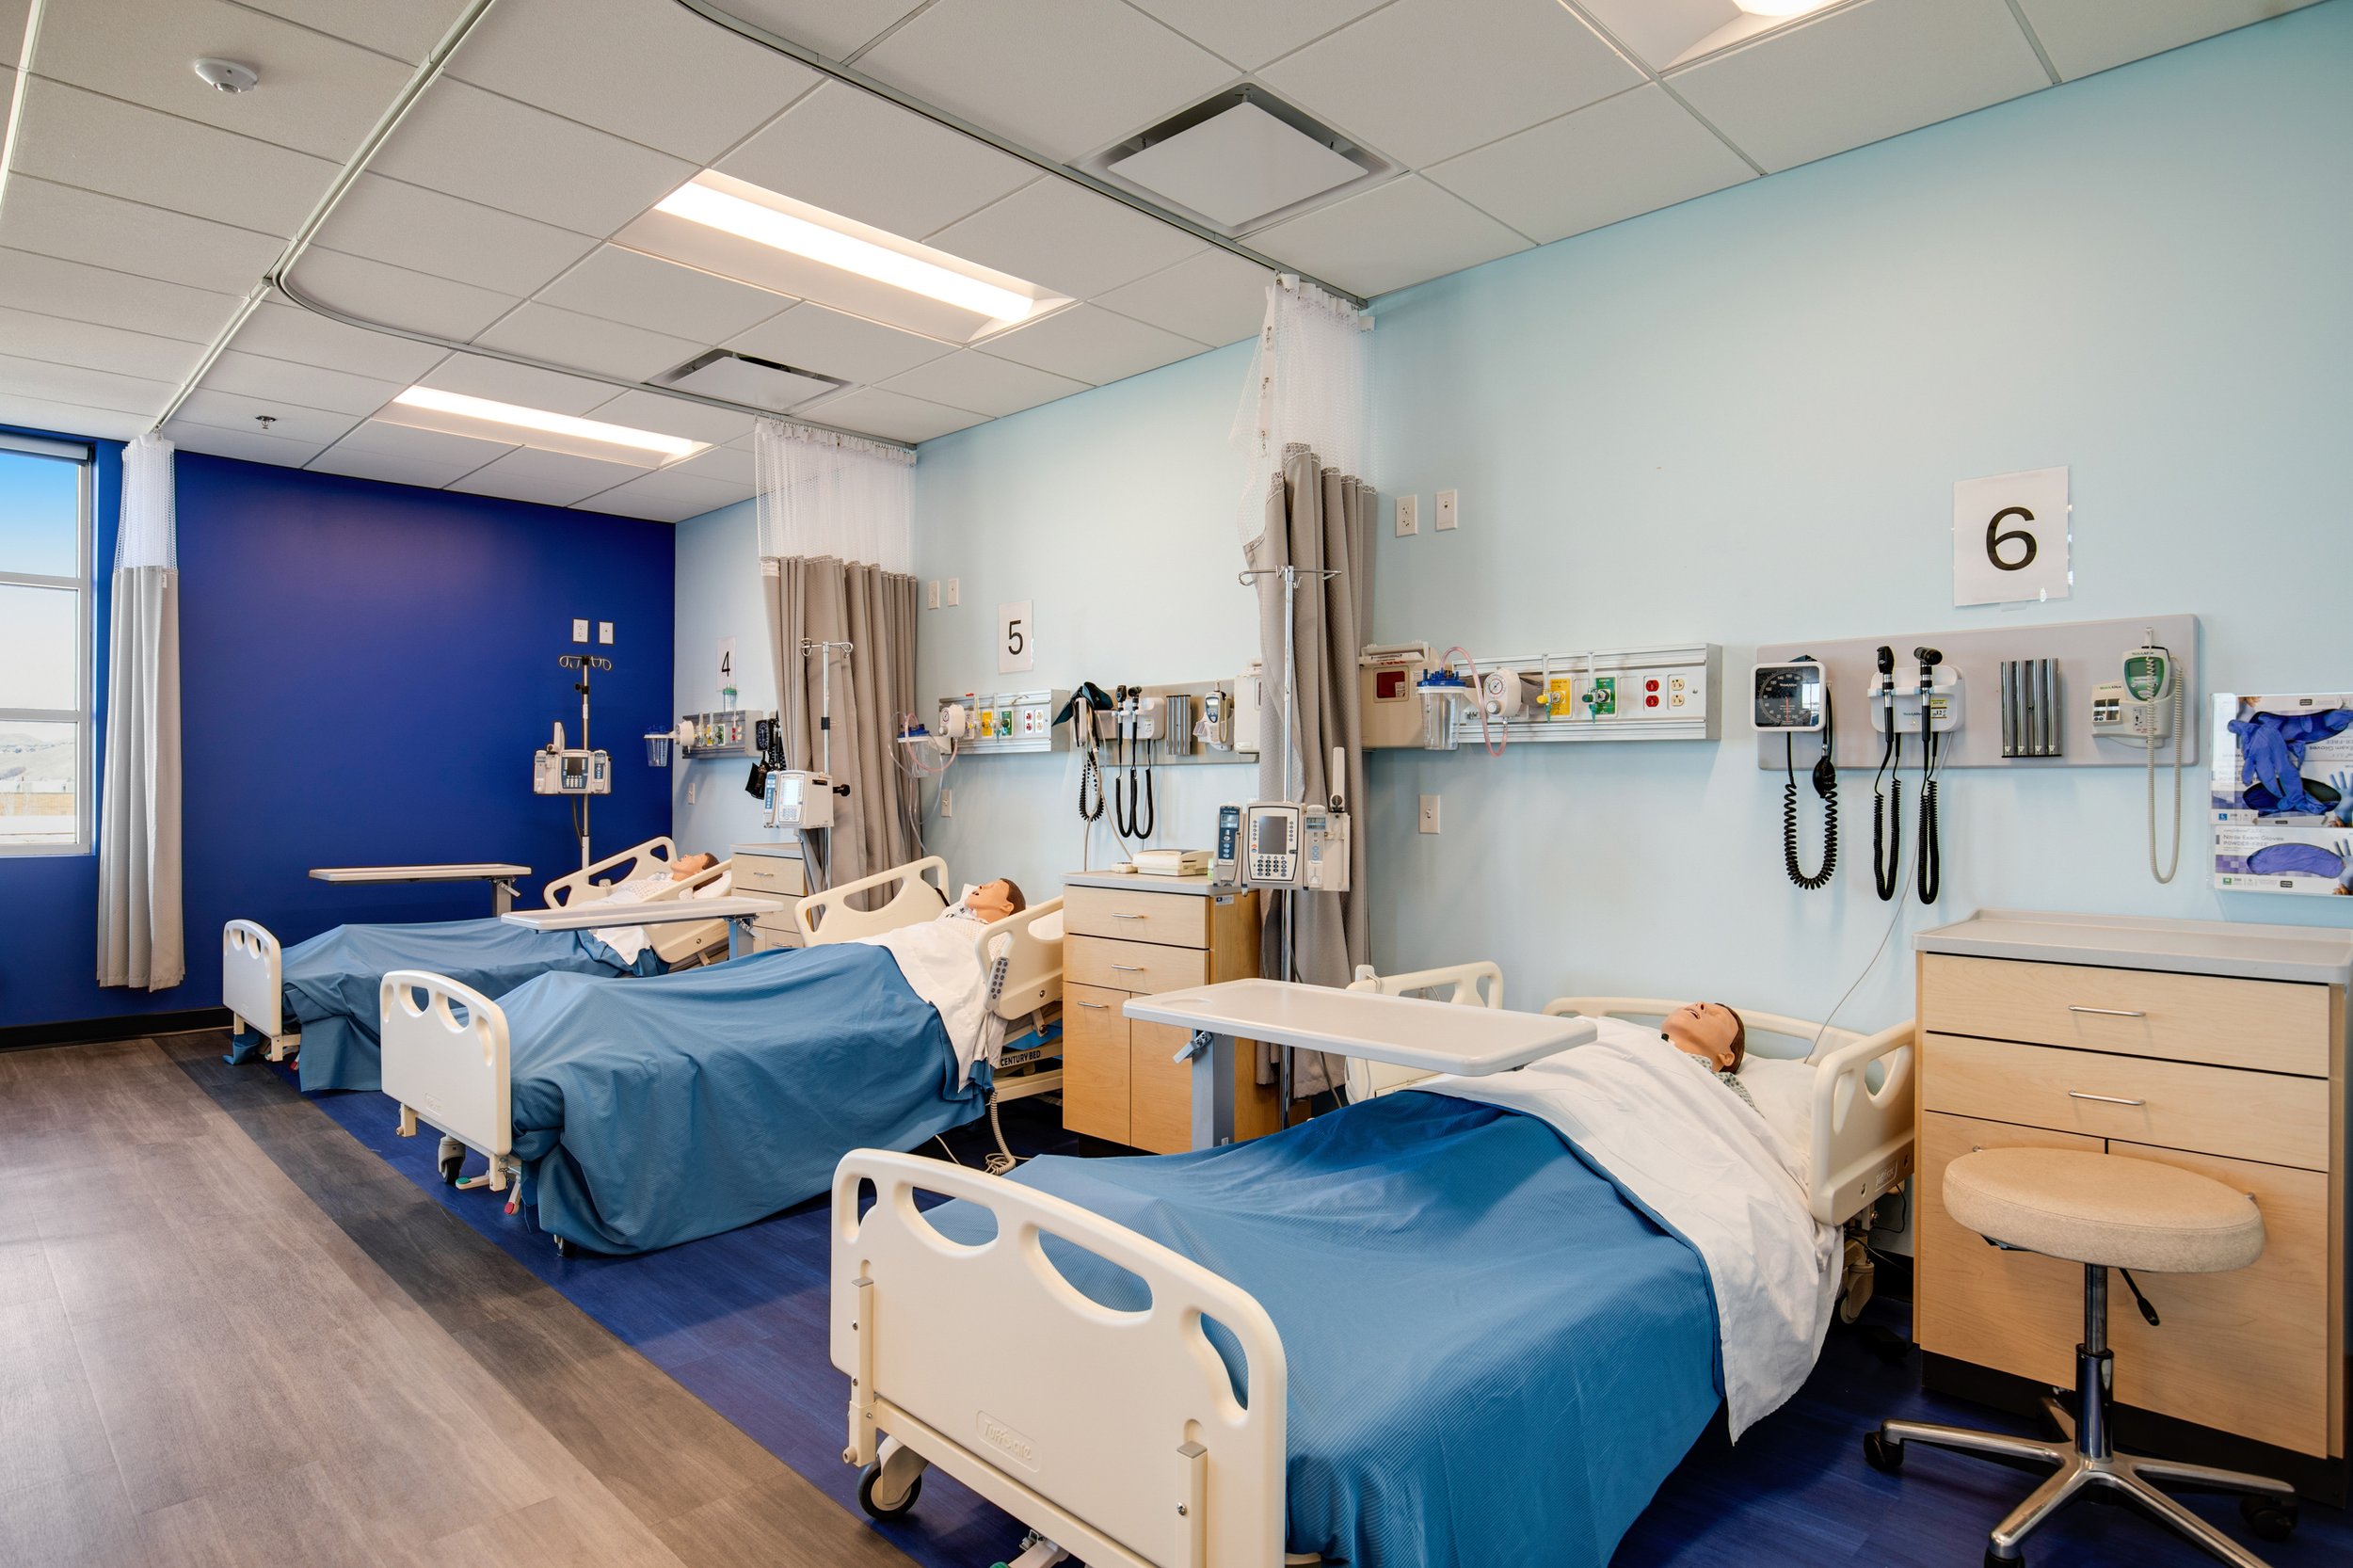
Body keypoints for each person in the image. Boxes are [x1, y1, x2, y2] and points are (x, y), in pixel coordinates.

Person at [1659, 1000, 1757, 1114]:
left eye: (1717, 1016)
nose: (1700, 1003)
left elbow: (1749, 1122)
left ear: (1727, 1057)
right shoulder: (1642, 1037)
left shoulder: (1726, 1091)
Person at [947, 878, 1026, 925]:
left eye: (992, 887)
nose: (980, 886)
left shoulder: (998, 940)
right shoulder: (952, 912)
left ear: (1007, 906)